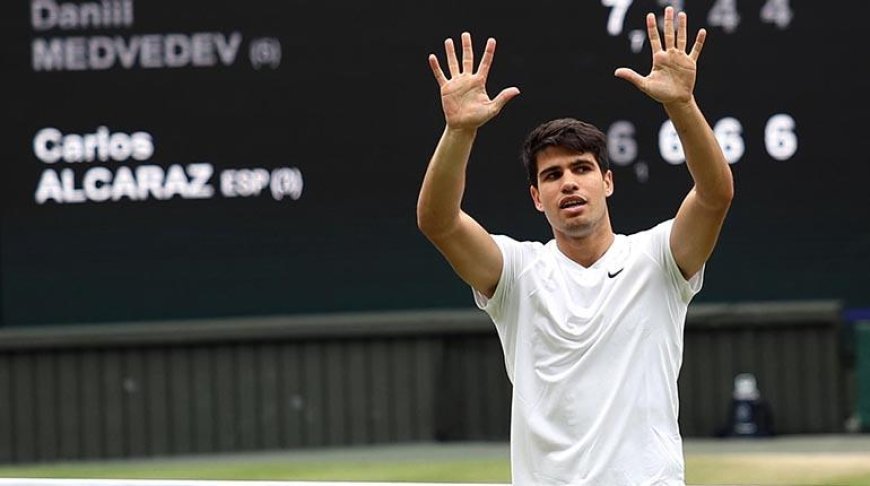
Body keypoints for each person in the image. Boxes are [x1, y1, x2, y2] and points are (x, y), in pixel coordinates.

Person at [417, 6, 733, 486]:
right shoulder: (517, 272)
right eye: (552, 175)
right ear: (535, 197)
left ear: (607, 181)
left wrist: (681, 105)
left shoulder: (658, 259)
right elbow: (438, 222)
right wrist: (458, 131)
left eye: (581, 168)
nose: (568, 183)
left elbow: (715, 195)